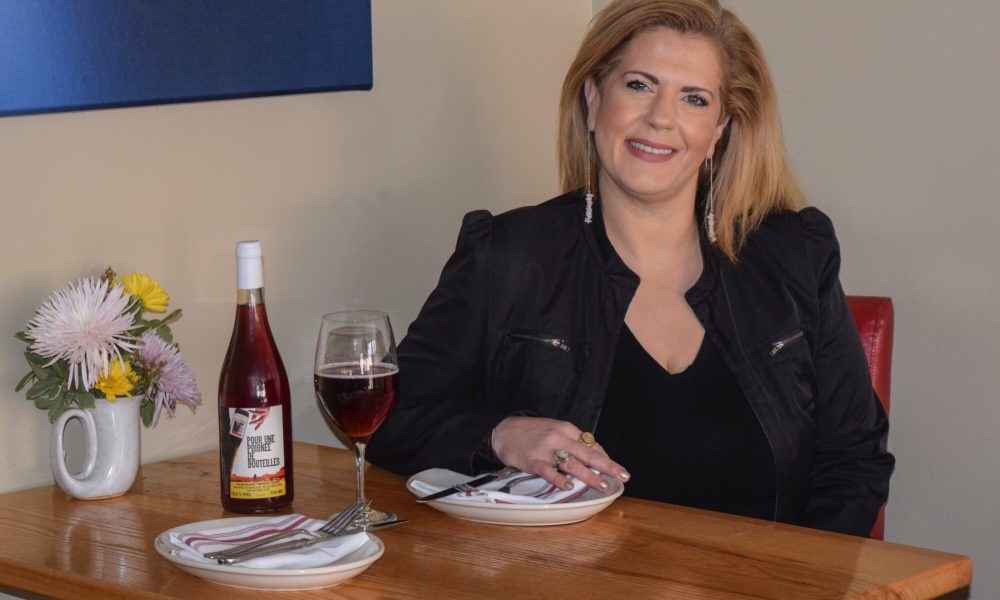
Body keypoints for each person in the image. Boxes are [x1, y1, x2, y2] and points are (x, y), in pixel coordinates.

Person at [368, 0, 893, 536]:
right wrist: (499, 434)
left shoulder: (794, 255)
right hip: (559, 578)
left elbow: (854, 460)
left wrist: (800, 575)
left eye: (694, 98)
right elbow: (389, 417)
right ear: (593, 99)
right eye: (639, 85)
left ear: (719, 129)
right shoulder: (508, 256)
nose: (661, 117)